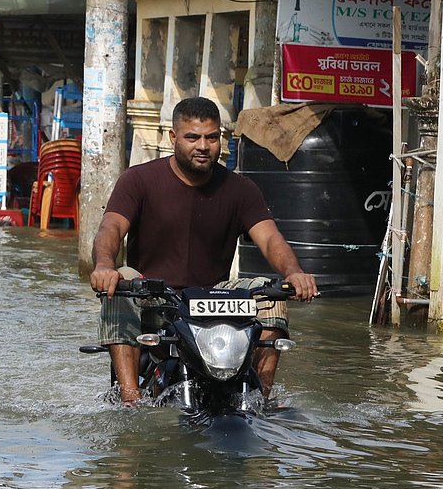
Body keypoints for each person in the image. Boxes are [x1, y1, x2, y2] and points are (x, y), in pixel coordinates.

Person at [89, 96, 319, 404]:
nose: (203, 146)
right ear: (173, 137)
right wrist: (104, 265)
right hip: (155, 297)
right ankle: (131, 399)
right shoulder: (138, 180)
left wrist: (294, 272)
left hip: (214, 297)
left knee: (270, 296)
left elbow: (270, 239)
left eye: (211, 137)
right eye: (192, 137)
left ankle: (258, 400)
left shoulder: (241, 189)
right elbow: (111, 228)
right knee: (120, 279)